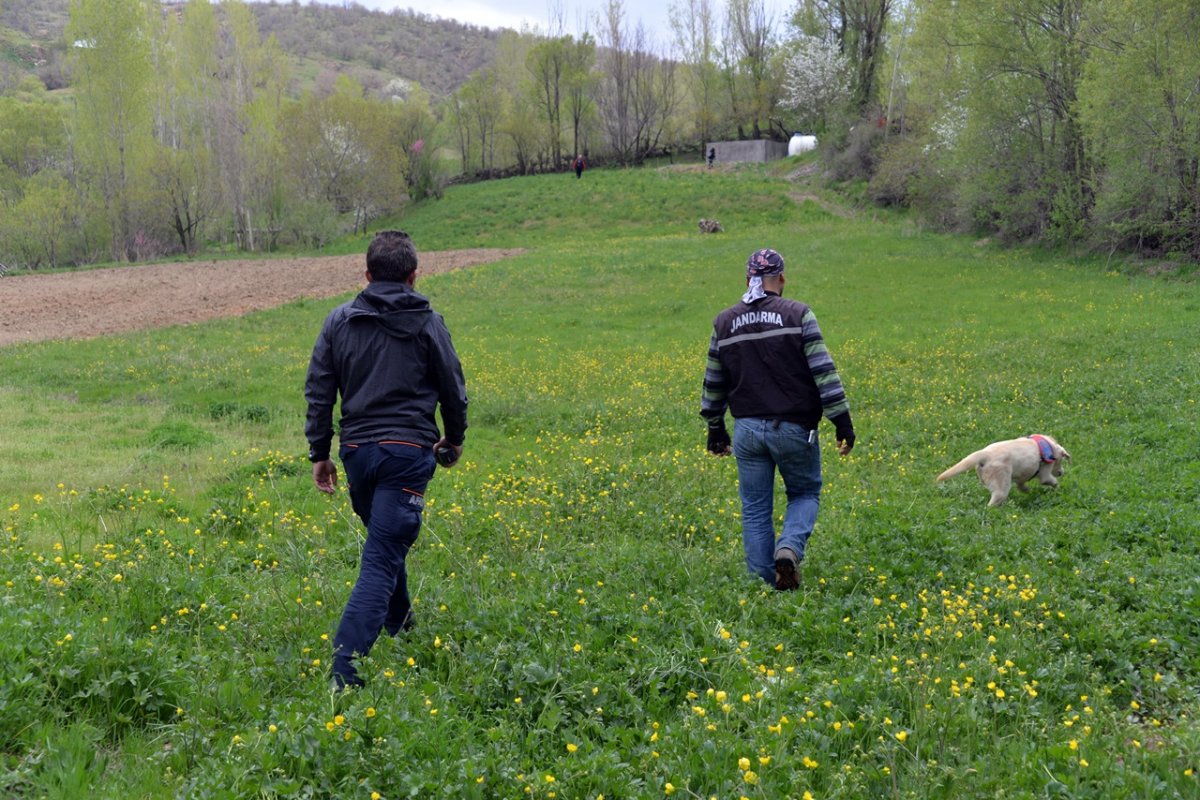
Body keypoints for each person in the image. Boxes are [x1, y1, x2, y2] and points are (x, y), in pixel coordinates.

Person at [305, 230, 468, 688]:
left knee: (383, 542)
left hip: (357, 455)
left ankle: (402, 627)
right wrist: (453, 438)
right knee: (380, 559)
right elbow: (453, 388)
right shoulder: (429, 322)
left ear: (368, 275)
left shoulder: (339, 321)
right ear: (414, 276)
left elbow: (319, 391)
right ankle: (344, 674)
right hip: (408, 454)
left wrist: (320, 452)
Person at [700, 248, 854, 590]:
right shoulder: (798, 314)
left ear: (747, 280)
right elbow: (823, 372)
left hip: (747, 430)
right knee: (804, 492)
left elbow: (713, 381)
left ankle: (762, 585)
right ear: (781, 278)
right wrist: (841, 420)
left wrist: (715, 428)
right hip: (795, 428)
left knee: (755, 506)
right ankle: (788, 548)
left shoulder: (724, 322)